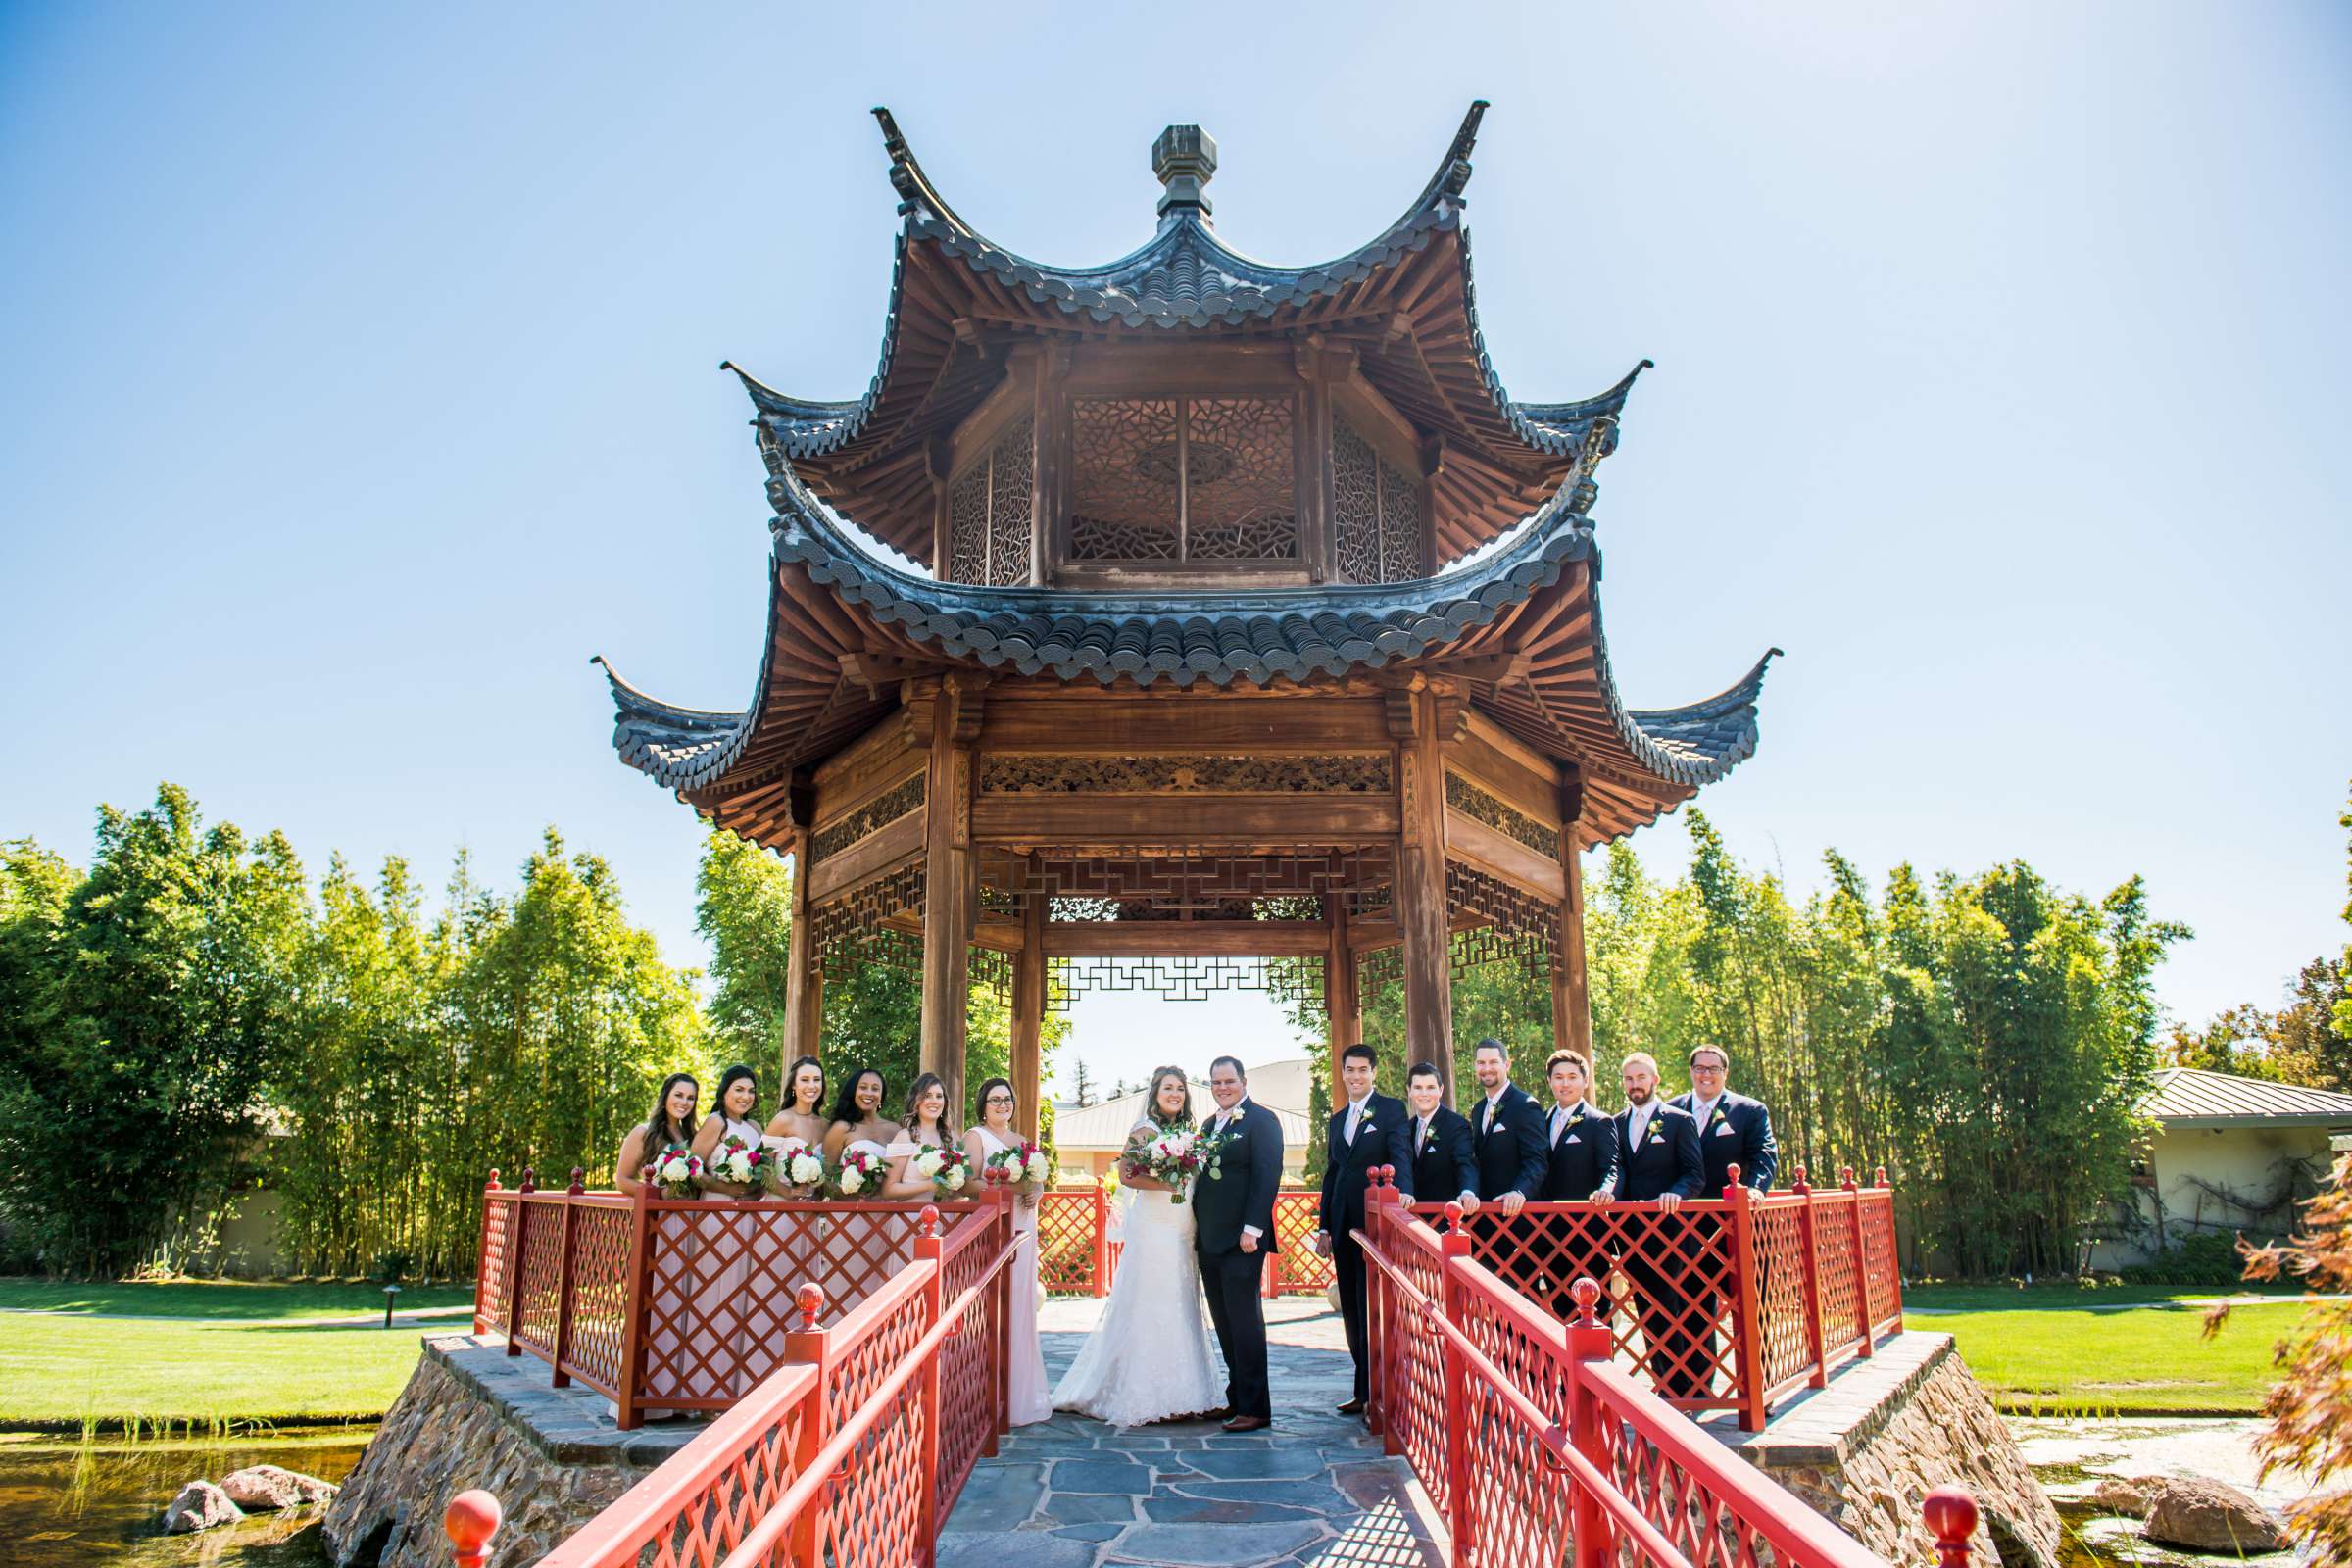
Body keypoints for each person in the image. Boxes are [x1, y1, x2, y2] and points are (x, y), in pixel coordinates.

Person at [1052, 1066, 1225, 1426]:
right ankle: (1148, 1394)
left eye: (1180, 1088)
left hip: (1182, 1227)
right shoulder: (1145, 1130)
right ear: (1155, 1093)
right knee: (1154, 1300)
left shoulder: (1188, 1133)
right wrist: (1167, 1184)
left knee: (1182, 1300)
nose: (1175, 1093)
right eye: (1168, 1088)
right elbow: (1127, 1175)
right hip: (1154, 1226)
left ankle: (1189, 1393)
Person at [1314, 1044, 1415, 1416]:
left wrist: (1404, 1193)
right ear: (1342, 1073)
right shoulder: (1337, 1119)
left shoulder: (1390, 1110)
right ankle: (1362, 1389)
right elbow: (1332, 1174)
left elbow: (1399, 1154)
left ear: (1374, 1072)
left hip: (1375, 1224)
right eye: (1349, 1070)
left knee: (1373, 1307)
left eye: (1362, 1070)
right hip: (1341, 1224)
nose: (1355, 1076)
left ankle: (1383, 1391)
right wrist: (1324, 1225)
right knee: (1352, 1311)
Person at [1600, 1052, 1707, 1399]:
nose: (1635, 1085)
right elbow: (1617, 1170)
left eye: (1641, 1078)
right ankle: (1663, 1382)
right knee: (1647, 1305)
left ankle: (1687, 1387)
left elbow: (1695, 1174)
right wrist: (1607, 1194)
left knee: (1675, 1304)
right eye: (1629, 1079)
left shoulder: (1679, 1120)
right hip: (1630, 1233)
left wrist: (1674, 1194)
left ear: (1655, 1080)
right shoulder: (1614, 1124)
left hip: (1671, 1231)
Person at [1194, 1055, 1283, 1431]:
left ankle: (1255, 1408)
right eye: (1216, 1082)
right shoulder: (1209, 1124)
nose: (1223, 1087)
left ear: (1243, 1081)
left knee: (1245, 1322)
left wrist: (1252, 1228)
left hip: (1243, 1240)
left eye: (1229, 1081)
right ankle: (1235, 1399)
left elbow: (1267, 1175)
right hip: (1210, 1238)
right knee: (1225, 1323)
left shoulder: (1263, 1121)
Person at [612, 1072, 699, 1421]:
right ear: (666, 1096)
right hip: (656, 1226)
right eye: (679, 1095)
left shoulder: (693, 1136)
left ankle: (678, 1394)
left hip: (688, 1230)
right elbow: (622, 1180)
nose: (684, 1102)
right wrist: (657, 1194)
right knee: (655, 1301)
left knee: (684, 1305)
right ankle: (645, 1396)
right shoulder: (643, 1133)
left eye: (691, 1098)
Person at [965, 1078, 1051, 1426]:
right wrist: (1008, 1185)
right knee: (993, 1306)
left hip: (1024, 1224)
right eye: (995, 1099)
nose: (1002, 1105)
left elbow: (1038, 1180)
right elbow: (966, 1181)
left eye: (1008, 1099)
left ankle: (1019, 1394)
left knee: (1021, 1302)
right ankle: (987, 1396)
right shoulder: (975, 1137)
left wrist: (1036, 1189)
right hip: (993, 1225)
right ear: (983, 1105)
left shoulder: (1024, 1142)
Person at [691, 1064, 768, 1395]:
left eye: (750, 1091)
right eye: (739, 1089)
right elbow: (692, 1168)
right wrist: (727, 1190)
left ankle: (734, 1382)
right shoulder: (715, 1123)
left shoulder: (754, 1127)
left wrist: (749, 1190)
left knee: (740, 1291)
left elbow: (763, 1172)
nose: (745, 1096)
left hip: (747, 1215)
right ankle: (705, 1384)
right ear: (724, 1092)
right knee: (713, 1291)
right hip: (716, 1212)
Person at [1536, 1049, 1619, 1318]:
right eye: (1558, 1077)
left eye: (1572, 1076)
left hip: (1587, 1231)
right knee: (1560, 1308)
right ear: (1550, 1082)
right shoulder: (1540, 1121)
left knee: (1594, 1308)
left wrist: (1606, 1190)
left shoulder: (1599, 1122)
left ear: (1585, 1080)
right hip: (1549, 1232)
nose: (1565, 1083)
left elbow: (1612, 1167)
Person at [1668, 1045, 1778, 1196]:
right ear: (1691, 1071)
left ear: (1725, 1072)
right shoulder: (1670, 1110)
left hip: (1730, 1211)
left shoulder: (1750, 1111)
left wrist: (1756, 1188)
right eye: (1699, 1068)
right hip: (1680, 1211)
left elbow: (1763, 1154)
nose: (1706, 1074)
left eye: (1714, 1069)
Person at [1468, 1039, 1549, 1210]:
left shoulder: (1525, 1105)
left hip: (1518, 1215)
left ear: (1507, 1065)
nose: (1486, 1068)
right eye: (1481, 1063)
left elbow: (1537, 1160)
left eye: (1493, 1062)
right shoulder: (1478, 1110)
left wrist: (1519, 1192)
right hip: (1484, 1214)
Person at [1403, 1061, 1478, 1217]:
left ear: (1441, 1090)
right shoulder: (1405, 1128)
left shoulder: (1457, 1125)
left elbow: (1465, 1162)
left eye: (1430, 1087)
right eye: (1418, 1087)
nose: (1424, 1093)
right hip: (1412, 1221)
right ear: (1409, 1091)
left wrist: (1468, 1191)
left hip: (1446, 1219)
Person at [881, 1073, 957, 1200]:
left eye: (939, 1096)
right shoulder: (905, 1137)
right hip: (911, 1217)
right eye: (927, 1096)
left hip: (945, 1217)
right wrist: (928, 1185)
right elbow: (888, 1190)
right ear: (916, 1100)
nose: (934, 1101)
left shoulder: (953, 1138)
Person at [763, 1055, 829, 1197]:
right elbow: (761, 1169)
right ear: (793, 1084)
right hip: (779, 1209)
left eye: (817, 1080)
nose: (812, 1086)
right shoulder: (782, 1120)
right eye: (805, 1080)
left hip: (810, 1211)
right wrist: (788, 1192)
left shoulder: (825, 1126)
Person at [822, 1066, 900, 1178]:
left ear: (882, 1095)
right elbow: (827, 1177)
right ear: (853, 1091)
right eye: (863, 1087)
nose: (869, 1093)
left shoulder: (896, 1129)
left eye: (875, 1089)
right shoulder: (841, 1128)